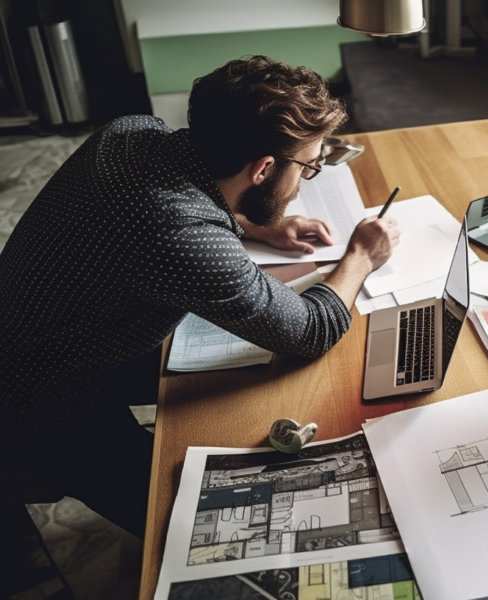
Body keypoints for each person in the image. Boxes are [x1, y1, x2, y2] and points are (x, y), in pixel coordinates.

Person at [0, 55, 399, 556]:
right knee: (206, 535)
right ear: (263, 168)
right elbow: (310, 330)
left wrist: (257, 223)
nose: (306, 180)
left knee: (245, 374)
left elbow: (187, 203)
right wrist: (362, 256)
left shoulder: (133, 131)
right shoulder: (182, 233)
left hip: (50, 331)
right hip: (36, 400)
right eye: (309, 166)